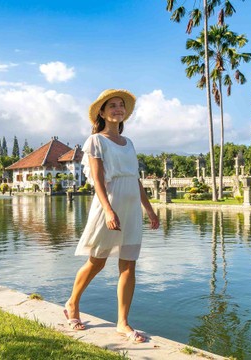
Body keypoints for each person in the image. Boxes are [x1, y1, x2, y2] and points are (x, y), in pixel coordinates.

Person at [64, 89, 160, 343]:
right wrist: (108, 209)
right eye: (112, 106)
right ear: (102, 112)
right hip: (109, 204)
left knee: (129, 264)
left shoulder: (129, 143)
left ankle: (123, 323)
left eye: (121, 105)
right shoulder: (96, 140)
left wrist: (149, 209)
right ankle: (72, 304)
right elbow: (97, 179)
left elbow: (134, 178)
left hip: (131, 207)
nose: (118, 109)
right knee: (97, 261)